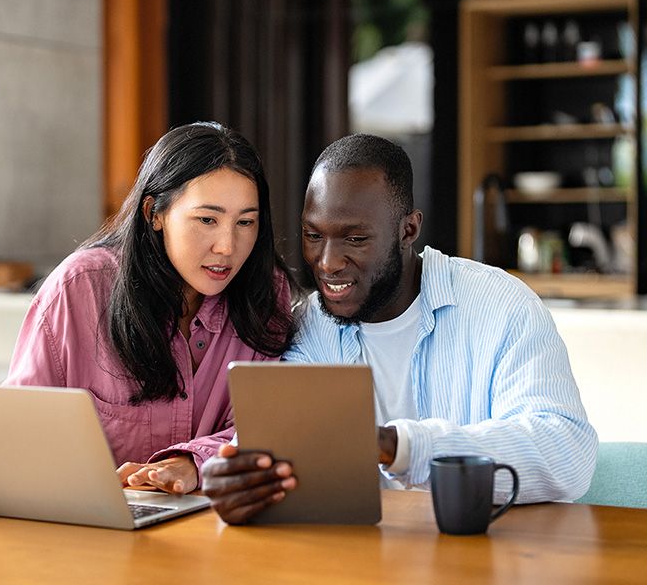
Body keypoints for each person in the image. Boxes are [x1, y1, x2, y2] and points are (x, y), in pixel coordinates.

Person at [201, 133, 597, 524]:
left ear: (408, 230)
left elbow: (565, 452)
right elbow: (281, 445)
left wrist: (398, 445)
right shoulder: (310, 326)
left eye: (355, 239)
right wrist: (236, 478)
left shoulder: (501, 307)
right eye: (313, 235)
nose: (327, 262)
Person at [4, 121, 296, 495]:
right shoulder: (80, 289)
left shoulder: (266, 293)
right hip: (90, 527)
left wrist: (194, 461)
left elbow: (267, 427)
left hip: (214, 530)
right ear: (154, 214)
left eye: (245, 222)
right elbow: (19, 428)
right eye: (207, 220)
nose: (227, 245)